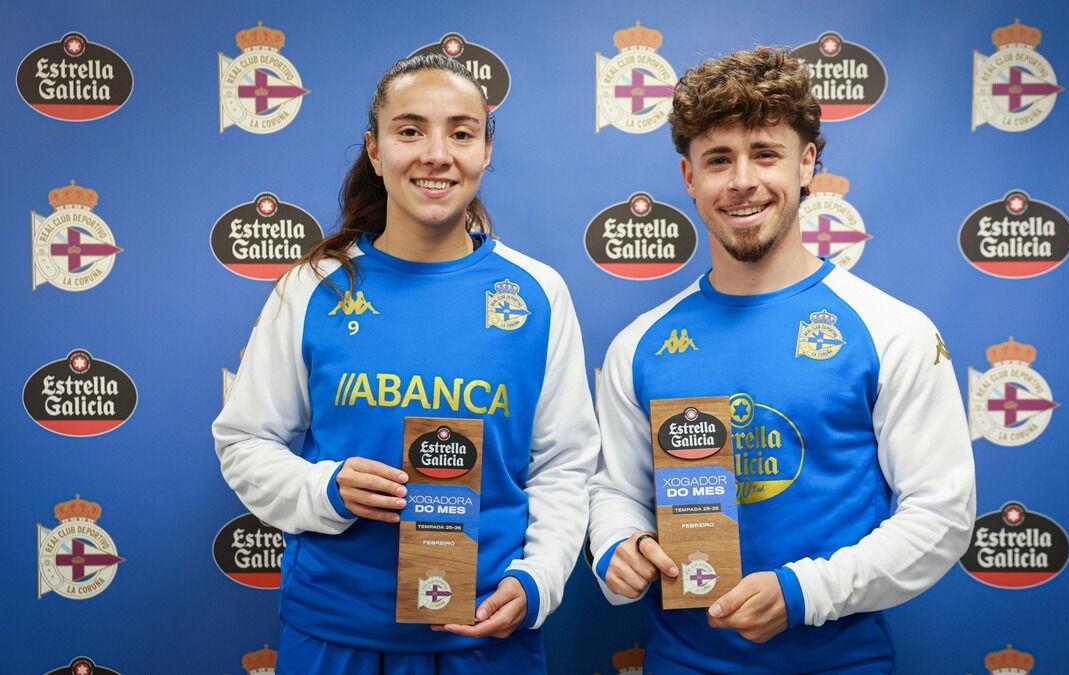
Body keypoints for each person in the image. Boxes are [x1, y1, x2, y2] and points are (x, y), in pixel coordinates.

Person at [586, 47, 976, 674]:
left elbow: (941, 516)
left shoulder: (893, 330)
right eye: (719, 159)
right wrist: (618, 544)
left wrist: (805, 593)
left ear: (807, 163)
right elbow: (615, 492)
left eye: (765, 153)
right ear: (689, 177)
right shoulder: (639, 344)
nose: (742, 180)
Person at [213, 53, 599, 674]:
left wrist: (538, 579)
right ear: (375, 150)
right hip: (335, 634)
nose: (436, 154)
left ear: (486, 152)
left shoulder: (537, 293)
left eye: (461, 134)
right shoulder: (313, 286)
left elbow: (565, 464)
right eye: (411, 130)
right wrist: (325, 489)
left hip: (485, 635)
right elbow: (243, 442)